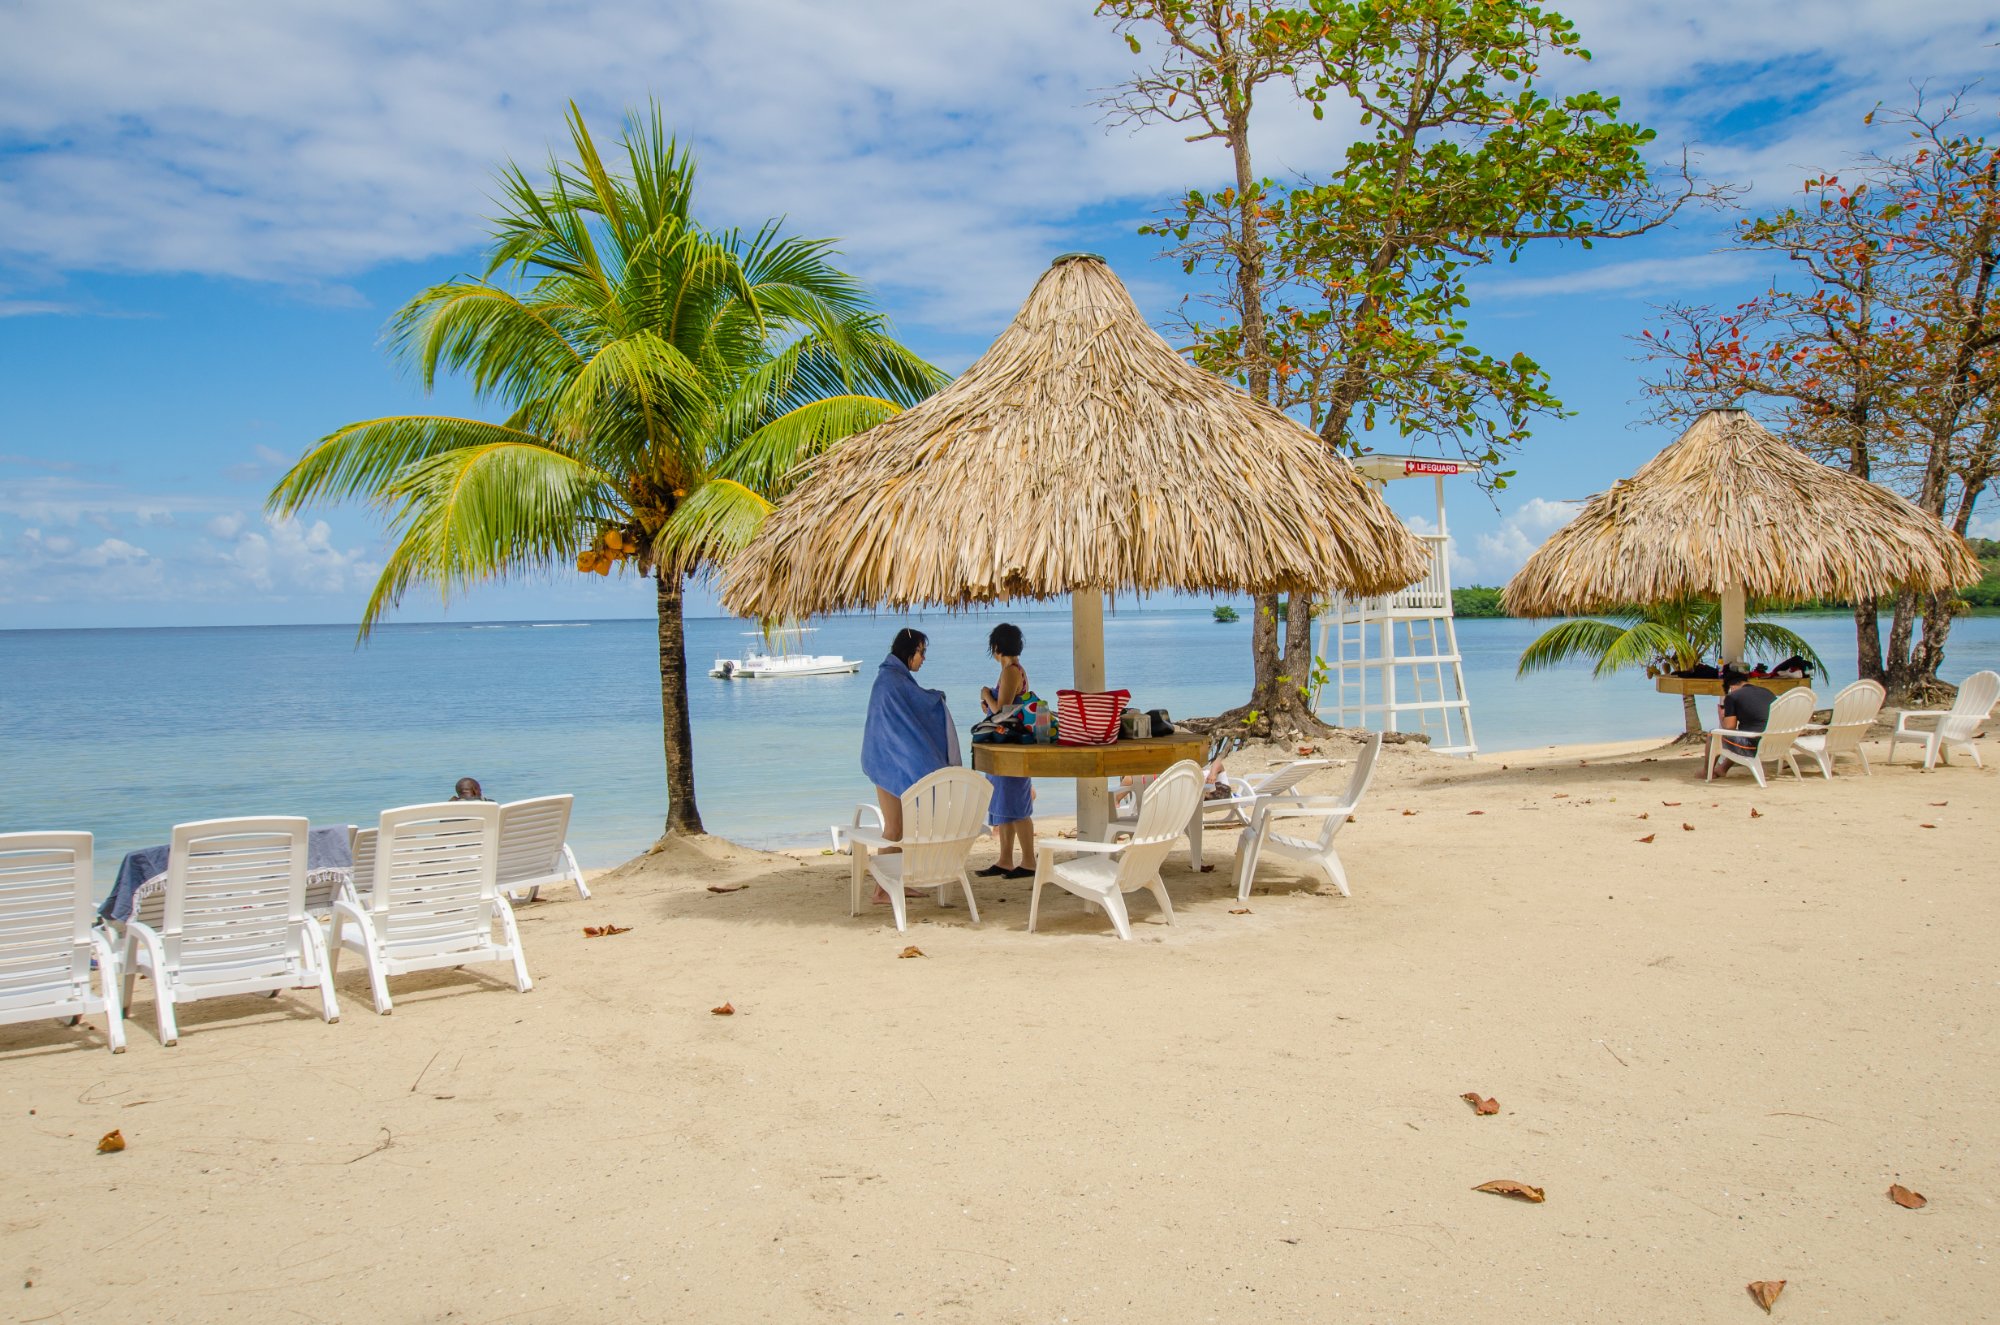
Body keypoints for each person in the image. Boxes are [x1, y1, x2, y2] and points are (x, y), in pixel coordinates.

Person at [859, 628, 958, 900]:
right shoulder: (891, 681)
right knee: (893, 828)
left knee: (899, 828)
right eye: (921, 652)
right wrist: (938, 699)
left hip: (886, 759)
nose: (923, 658)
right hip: (885, 761)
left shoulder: (894, 678)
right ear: (909, 651)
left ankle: (893, 883)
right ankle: (883, 888)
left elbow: (910, 711)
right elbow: (919, 707)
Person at [976, 623, 1035, 879]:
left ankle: (1030, 861)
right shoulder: (1012, 671)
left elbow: (1002, 709)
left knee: (1017, 804)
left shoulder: (1011, 671)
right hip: (1006, 745)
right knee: (1006, 804)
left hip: (1011, 747)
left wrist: (986, 694)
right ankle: (1005, 859)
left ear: (997, 647)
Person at [1710, 665, 1775, 778]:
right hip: (1776, 742)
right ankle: (1722, 769)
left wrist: (1721, 716)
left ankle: (1707, 772)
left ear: (1730, 687)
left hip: (1754, 745)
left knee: (1712, 735)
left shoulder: (1732, 697)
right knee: (1740, 735)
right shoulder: (1767, 692)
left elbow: (1729, 728)